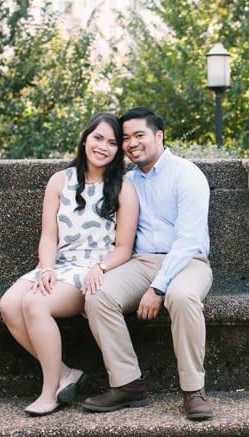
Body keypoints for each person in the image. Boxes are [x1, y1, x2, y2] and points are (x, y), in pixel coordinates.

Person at [0, 112, 139, 416]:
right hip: (59, 264)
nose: (103, 146)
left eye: (112, 142)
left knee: (35, 304)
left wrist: (99, 268)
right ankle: (64, 372)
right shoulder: (60, 180)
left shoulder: (123, 189)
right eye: (98, 138)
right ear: (86, 138)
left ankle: (50, 391)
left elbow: (124, 248)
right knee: (10, 304)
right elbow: (49, 236)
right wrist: (46, 268)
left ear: (118, 151)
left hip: (94, 271)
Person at [81, 107, 214, 421]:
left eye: (139, 135)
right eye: (125, 138)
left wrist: (158, 287)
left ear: (159, 136)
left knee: (180, 297)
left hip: (188, 261)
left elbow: (187, 239)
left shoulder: (187, 173)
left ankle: (194, 391)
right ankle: (128, 384)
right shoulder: (126, 181)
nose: (131, 143)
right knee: (97, 295)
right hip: (141, 262)